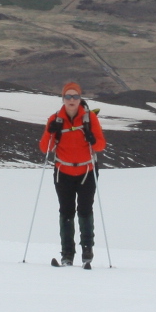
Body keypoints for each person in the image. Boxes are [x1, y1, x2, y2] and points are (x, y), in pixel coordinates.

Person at [39, 81, 105, 268]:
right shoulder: (55, 119)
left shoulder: (90, 118)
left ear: (80, 98)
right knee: (66, 212)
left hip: (86, 172)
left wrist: (92, 138)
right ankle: (67, 254)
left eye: (75, 96)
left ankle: (87, 250)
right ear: (63, 98)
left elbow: (100, 145)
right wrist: (49, 132)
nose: (72, 99)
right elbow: (46, 148)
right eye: (68, 96)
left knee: (85, 211)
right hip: (63, 172)